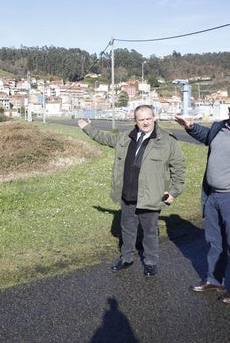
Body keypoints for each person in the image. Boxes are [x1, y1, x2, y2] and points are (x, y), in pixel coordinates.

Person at [78, 105, 186, 277]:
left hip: (151, 195)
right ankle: (126, 258)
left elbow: (179, 169)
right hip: (127, 193)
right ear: (135, 121)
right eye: (141, 119)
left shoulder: (167, 140)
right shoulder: (126, 137)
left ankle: (151, 262)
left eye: (148, 119)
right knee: (127, 228)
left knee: (150, 232)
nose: (145, 123)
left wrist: (174, 191)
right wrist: (87, 127)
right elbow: (104, 138)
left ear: (154, 118)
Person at [175, 92, 230, 305]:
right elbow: (206, 136)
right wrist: (190, 127)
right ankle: (215, 280)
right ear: (229, 110)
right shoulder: (220, 127)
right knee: (214, 242)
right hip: (212, 196)